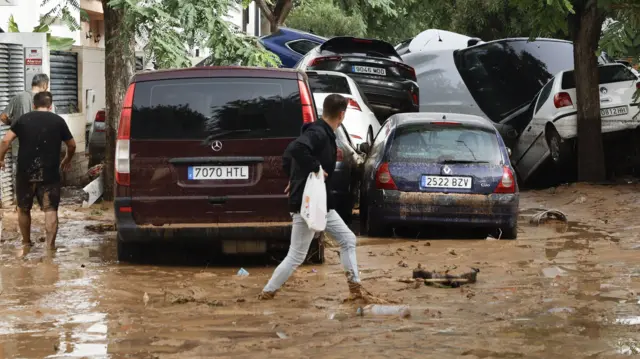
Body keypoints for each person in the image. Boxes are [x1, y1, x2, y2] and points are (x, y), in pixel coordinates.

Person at [258, 94, 368, 300]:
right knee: (296, 255)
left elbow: (289, 157)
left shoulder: (322, 132)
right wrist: (314, 167)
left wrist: (296, 176)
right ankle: (267, 292)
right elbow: (295, 148)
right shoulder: (318, 133)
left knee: (347, 239)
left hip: (321, 203)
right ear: (342, 115)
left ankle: (355, 289)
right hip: (308, 203)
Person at [0, 91, 76, 249]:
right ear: (50, 106)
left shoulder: (23, 119)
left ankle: (26, 242)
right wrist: (67, 159)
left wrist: (0, 159)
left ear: (33, 105)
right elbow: (72, 145)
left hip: (25, 173)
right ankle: (50, 247)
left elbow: (6, 140)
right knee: (50, 209)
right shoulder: (58, 121)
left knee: (23, 208)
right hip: (50, 173)